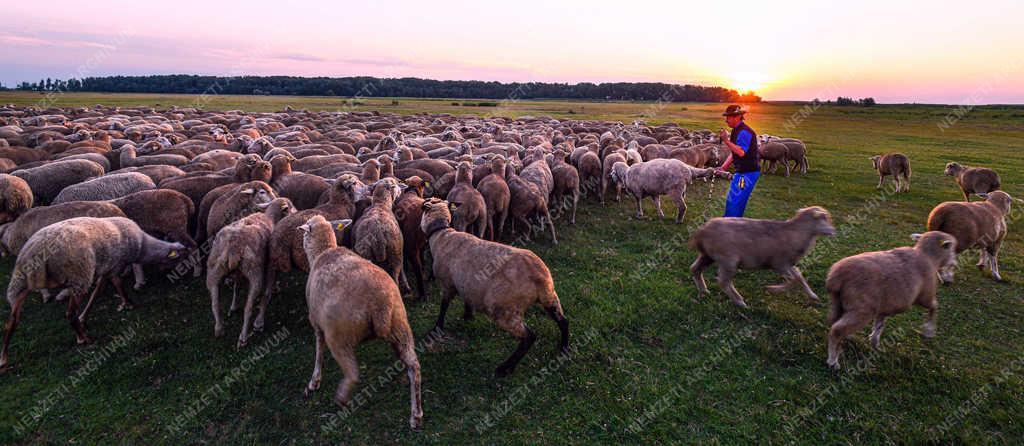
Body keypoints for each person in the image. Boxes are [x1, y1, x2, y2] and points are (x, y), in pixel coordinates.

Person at [717, 105, 760, 217]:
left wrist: (726, 140)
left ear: (737, 117)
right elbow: (734, 152)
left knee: (735, 201)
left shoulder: (744, 132)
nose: (726, 120)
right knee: (733, 200)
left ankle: (731, 226)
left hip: (747, 174)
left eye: (729, 117)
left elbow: (741, 152)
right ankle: (730, 224)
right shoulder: (736, 130)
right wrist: (723, 167)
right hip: (741, 172)